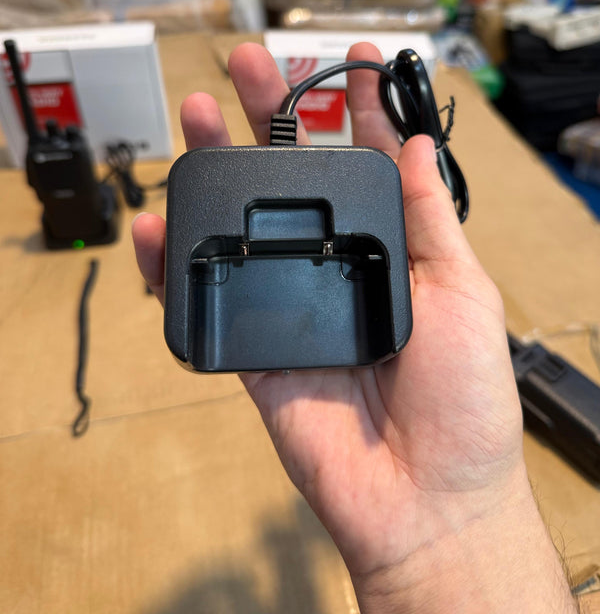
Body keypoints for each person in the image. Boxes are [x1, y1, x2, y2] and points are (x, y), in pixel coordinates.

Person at [132, 41, 578, 613]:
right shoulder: (346, 181)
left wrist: (469, 514)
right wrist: (467, 531)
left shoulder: (370, 189)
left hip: (367, 335)